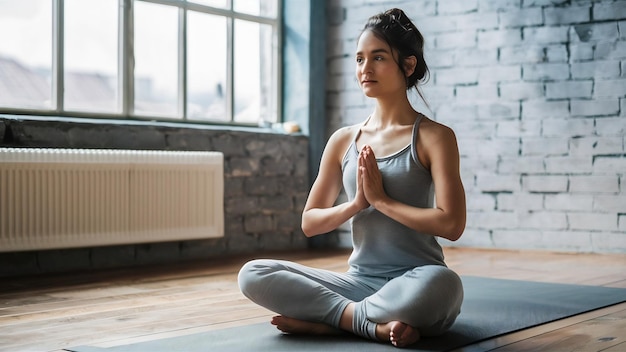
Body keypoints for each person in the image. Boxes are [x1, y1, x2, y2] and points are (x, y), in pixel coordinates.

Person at [238, 8, 466, 348]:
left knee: (446, 286)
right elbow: (310, 223)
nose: (365, 69)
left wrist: (382, 202)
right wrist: (357, 204)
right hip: (358, 283)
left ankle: (331, 321)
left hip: (416, 280)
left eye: (378, 58)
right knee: (253, 274)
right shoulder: (344, 140)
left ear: (408, 65)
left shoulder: (434, 137)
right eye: (359, 59)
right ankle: (366, 324)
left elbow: (451, 224)